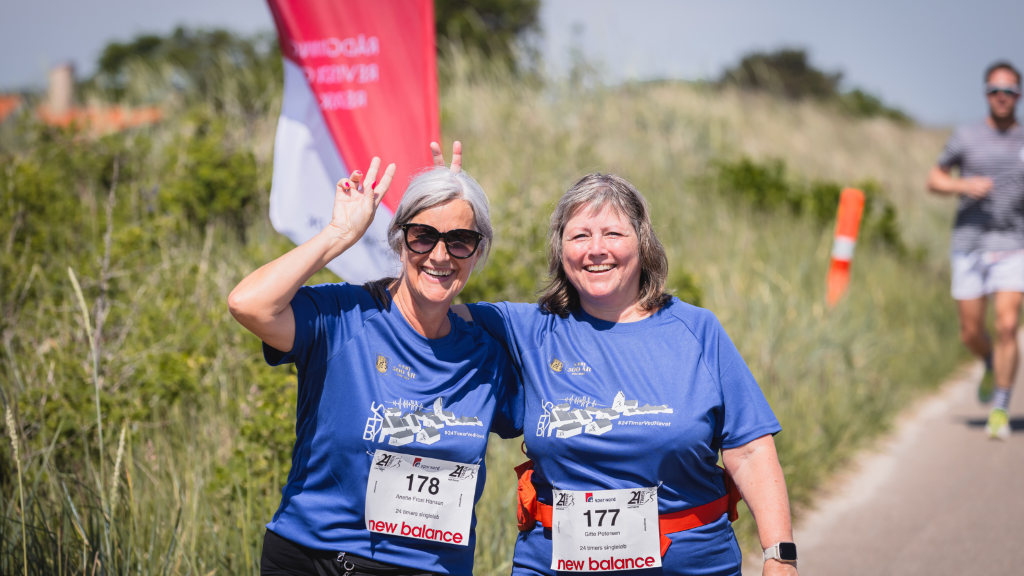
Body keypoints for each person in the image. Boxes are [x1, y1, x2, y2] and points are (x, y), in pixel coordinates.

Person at [438, 147, 798, 576]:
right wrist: (448, 221)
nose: (596, 250)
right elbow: (425, 305)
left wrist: (780, 556)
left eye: (612, 234)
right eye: (579, 236)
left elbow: (752, 450)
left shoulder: (696, 331)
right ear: (560, 249)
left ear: (642, 244)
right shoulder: (525, 330)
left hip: (689, 566)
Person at [228, 152, 522, 576]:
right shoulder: (345, 316)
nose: (440, 255)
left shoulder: (486, 357)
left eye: (460, 240)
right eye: (423, 236)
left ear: (478, 252)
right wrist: (338, 233)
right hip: (313, 559)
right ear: (400, 241)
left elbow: (552, 427)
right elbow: (248, 304)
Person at [927, 61, 1024, 440]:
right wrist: (962, 186)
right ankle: (987, 361)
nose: (1003, 97)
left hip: (1014, 243)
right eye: (997, 90)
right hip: (969, 245)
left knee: (1006, 324)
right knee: (970, 331)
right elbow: (934, 178)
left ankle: (1000, 407)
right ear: (987, 93)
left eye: (1011, 91)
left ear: (1018, 95)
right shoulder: (966, 137)